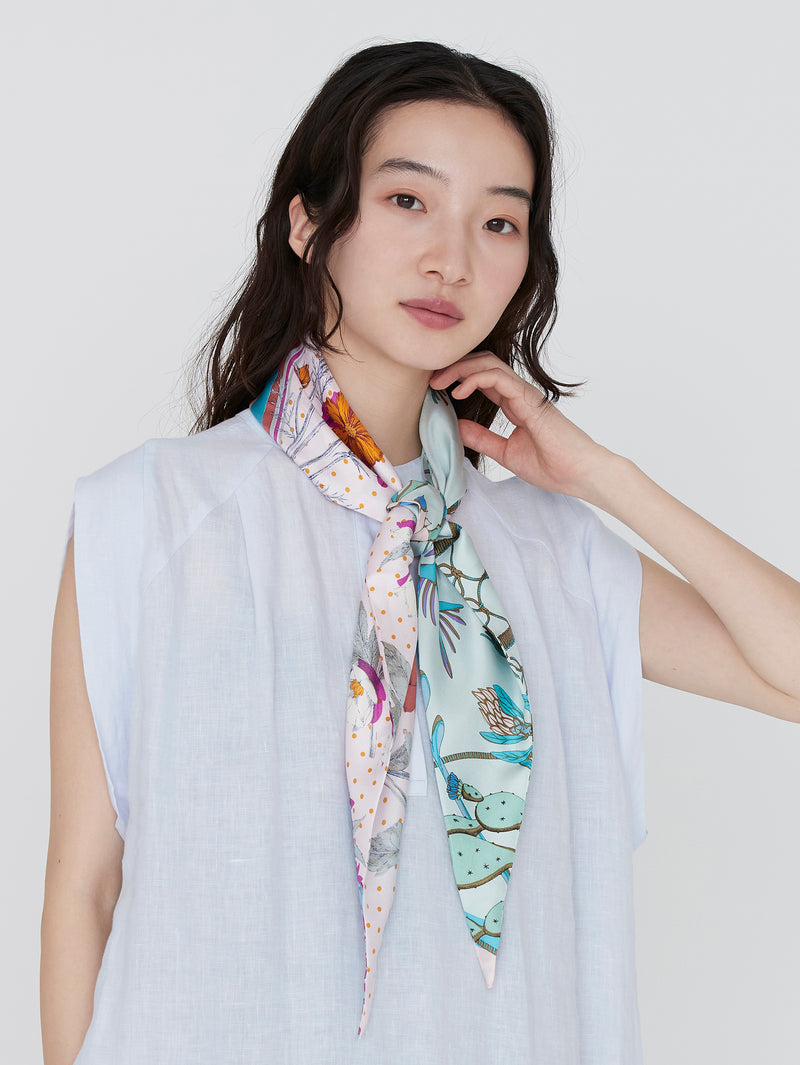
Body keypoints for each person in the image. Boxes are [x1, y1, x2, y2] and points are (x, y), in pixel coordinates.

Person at [40, 39, 800, 1065]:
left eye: (498, 222)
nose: (453, 258)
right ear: (308, 222)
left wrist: (606, 480)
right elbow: (84, 884)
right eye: (408, 201)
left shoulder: (549, 551)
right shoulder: (152, 515)